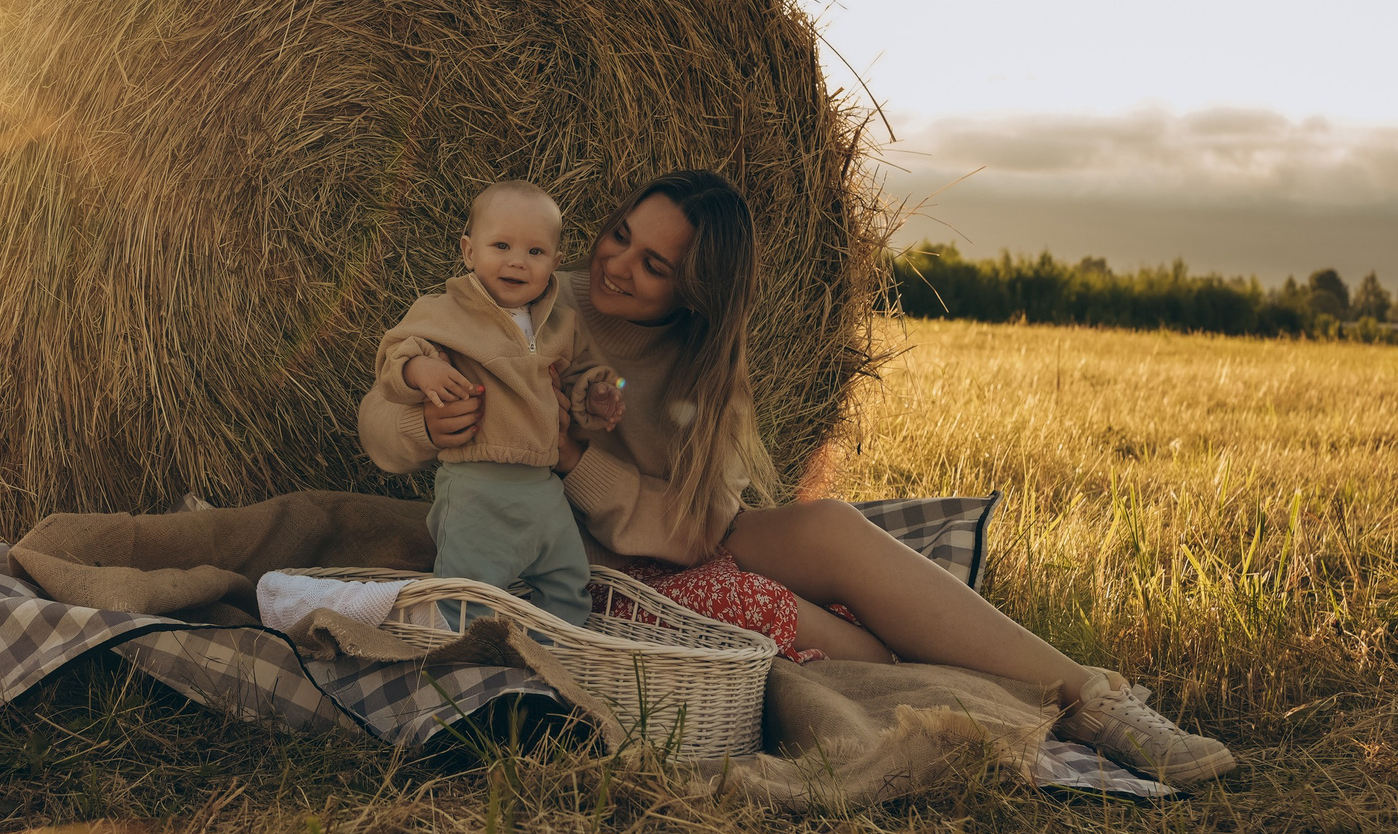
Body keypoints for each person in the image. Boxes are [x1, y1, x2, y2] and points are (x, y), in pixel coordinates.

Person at [360, 168, 1236, 787]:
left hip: (678, 537)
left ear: (695, 289)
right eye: (620, 235)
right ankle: (1000, 693)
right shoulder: (534, 302)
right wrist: (424, 417)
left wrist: (577, 459)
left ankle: (1095, 699)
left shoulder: (704, 365)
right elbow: (385, 413)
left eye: (655, 264)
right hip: (585, 561)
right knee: (872, 657)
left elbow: (701, 524)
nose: (619, 265)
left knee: (835, 529)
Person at [372, 179, 622, 626]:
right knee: (468, 590)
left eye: (535, 252)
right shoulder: (444, 311)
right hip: (477, 485)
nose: (516, 262)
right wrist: (420, 371)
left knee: (568, 579)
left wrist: (597, 393)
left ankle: (554, 650)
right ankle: (462, 656)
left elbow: (580, 373)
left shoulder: (561, 323)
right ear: (469, 251)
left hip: (543, 488)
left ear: (555, 264)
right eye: (501, 245)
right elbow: (395, 353)